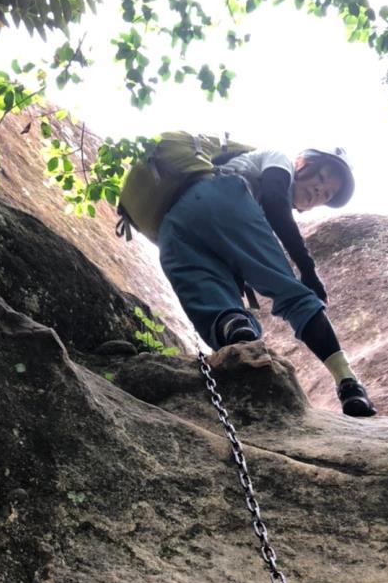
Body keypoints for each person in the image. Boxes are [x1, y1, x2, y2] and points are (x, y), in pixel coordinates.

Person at [157, 146, 376, 418]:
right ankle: (348, 383)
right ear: (301, 163)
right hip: (224, 196)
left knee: (216, 302)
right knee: (293, 294)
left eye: (327, 194)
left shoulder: (251, 188)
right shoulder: (279, 159)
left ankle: (235, 327)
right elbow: (274, 199)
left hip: (174, 228)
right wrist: (307, 270)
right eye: (320, 177)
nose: (319, 190)